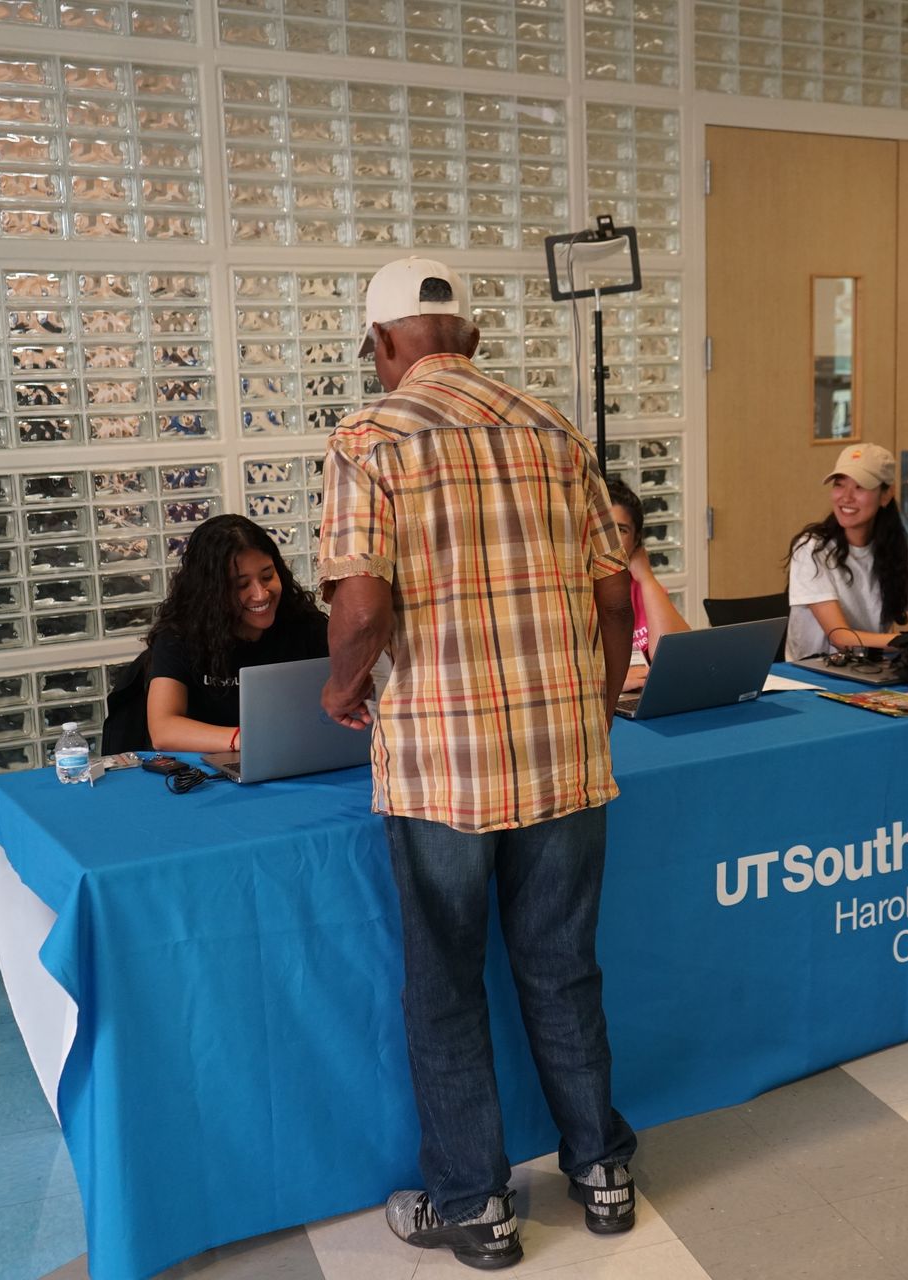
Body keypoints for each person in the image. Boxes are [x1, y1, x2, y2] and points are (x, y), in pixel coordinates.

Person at [316, 256, 638, 1269]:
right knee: (562, 965)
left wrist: (340, 687)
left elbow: (362, 604)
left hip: (443, 769)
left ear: (382, 346)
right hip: (565, 760)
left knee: (446, 984)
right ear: (475, 334)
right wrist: (592, 706)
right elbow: (614, 596)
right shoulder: (554, 432)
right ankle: (602, 1171)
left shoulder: (370, 437)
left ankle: (474, 1205)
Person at [143, 514, 329, 752]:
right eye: (241, 585)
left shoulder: (304, 624)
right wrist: (247, 740)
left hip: (294, 756)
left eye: (267, 576)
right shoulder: (179, 636)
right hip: (208, 772)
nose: (261, 594)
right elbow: (163, 730)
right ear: (212, 591)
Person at [785, 441, 908, 661]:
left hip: (873, 668)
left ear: (886, 495)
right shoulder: (812, 549)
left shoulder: (897, 548)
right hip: (814, 676)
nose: (846, 497)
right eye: (839, 484)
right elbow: (840, 638)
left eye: (860, 487)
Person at [606, 475, 689, 691]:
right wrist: (610, 683)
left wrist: (647, 578)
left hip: (644, 695)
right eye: (604, 528)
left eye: (622, 530)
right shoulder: (571, 591)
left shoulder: (643, 588)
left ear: (637, 541)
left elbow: (679, 657)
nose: (611, 538)